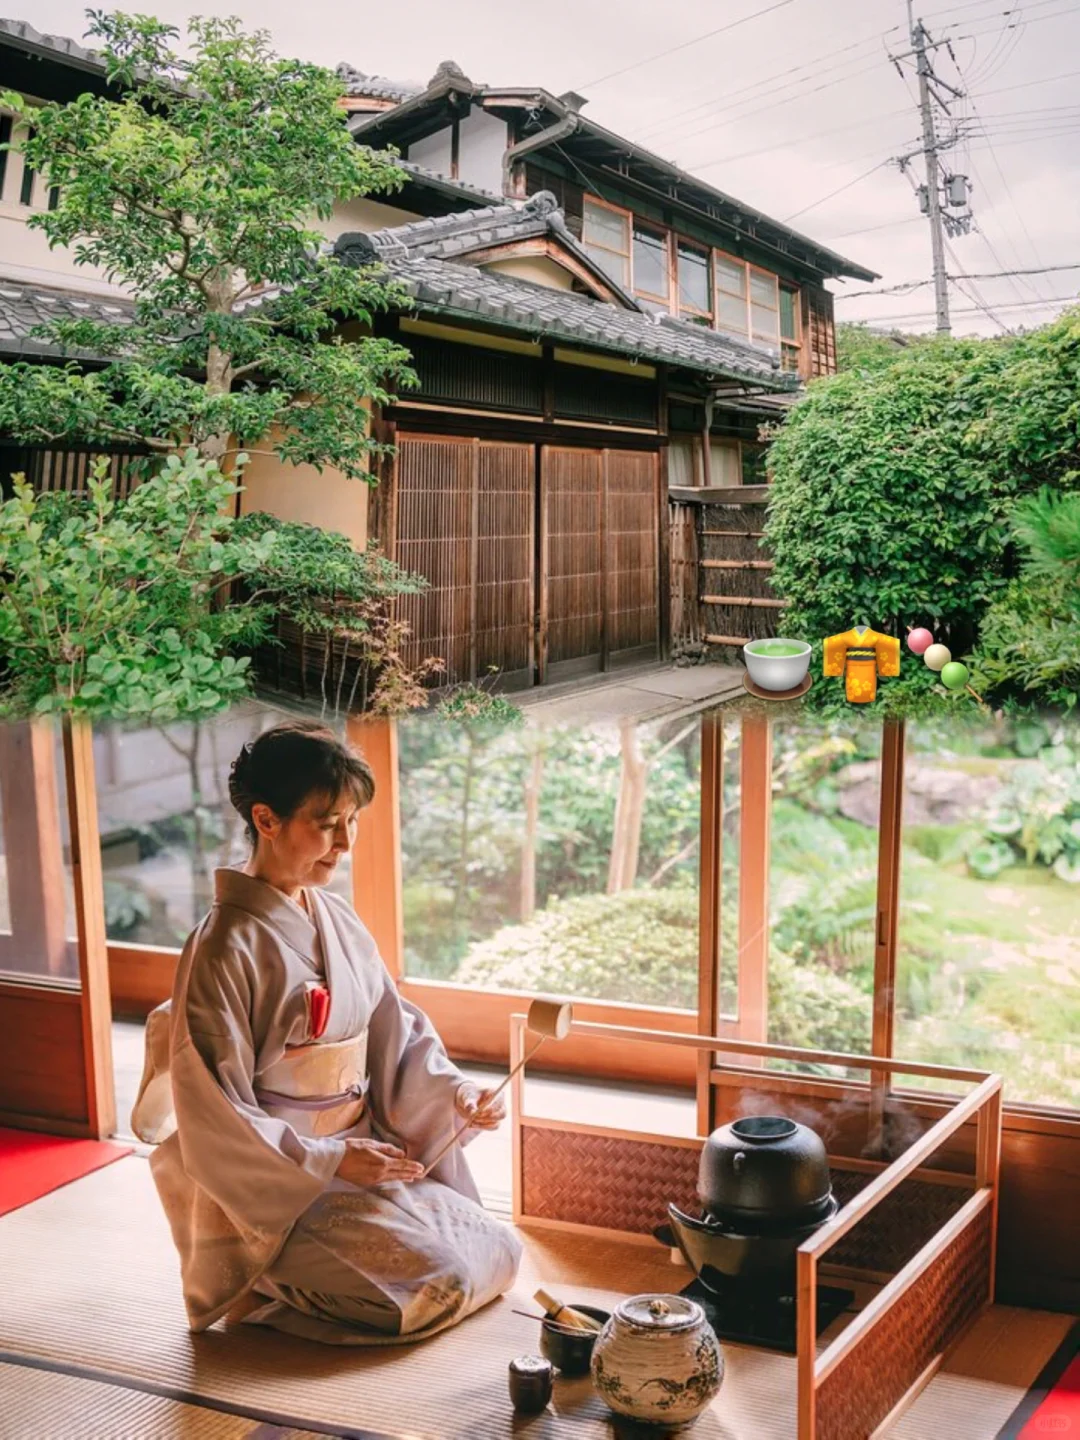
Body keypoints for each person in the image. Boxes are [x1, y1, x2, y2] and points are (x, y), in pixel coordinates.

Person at [131, 719, 522, 1345]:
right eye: (327, 822)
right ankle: (264, 1283)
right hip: (281, 1192)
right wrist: (331, 1158)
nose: (345, 842)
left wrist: (455, 1098)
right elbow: (215, 1110)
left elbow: (396, 1032)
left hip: (363, 1159)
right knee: (439, 1282)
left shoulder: (333, 916)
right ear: (266, 820)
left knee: (500, 1247)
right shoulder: (224, 947)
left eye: (352, 821)